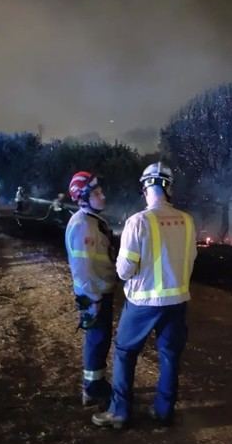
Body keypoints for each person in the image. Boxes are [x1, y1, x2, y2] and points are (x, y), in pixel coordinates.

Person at [92, 162, 197, 429]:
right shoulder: (187, 220)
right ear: (169, 188)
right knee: (170, 355)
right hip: (177, 302)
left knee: (126, 353)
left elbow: (125, 270)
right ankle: (164, 411)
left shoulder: (138, 222)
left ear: (145, 188)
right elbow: (191, 259)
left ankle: (120, 412)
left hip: (142, 303)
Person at [65, 172, 118, 407]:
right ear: (84, 198)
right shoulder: (83, 226)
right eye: (96, 193)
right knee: (97, 340)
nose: (102, 196)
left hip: (98, 291)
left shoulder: (91, 221)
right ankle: (93, 388)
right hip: (93, 294)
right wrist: (93, 298)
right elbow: (83, 269)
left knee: (101, 338)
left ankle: (95, 383)